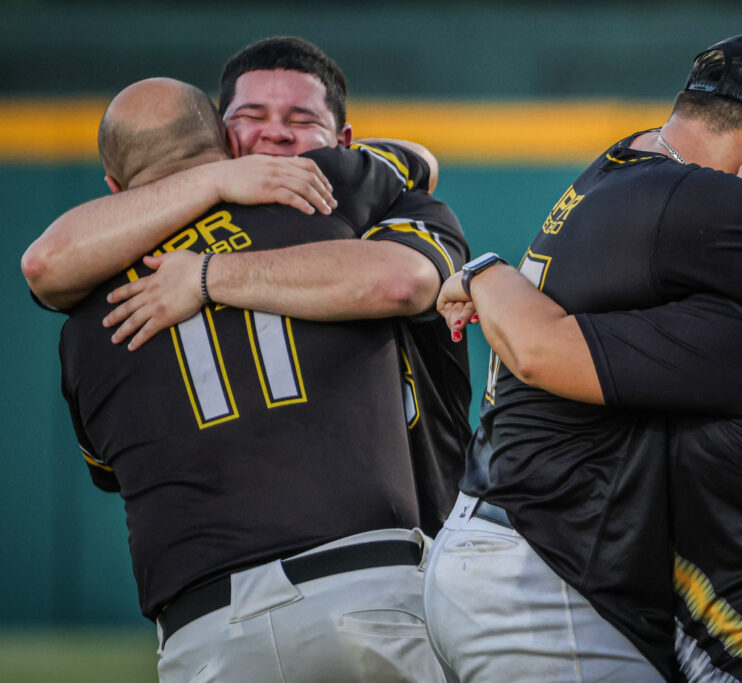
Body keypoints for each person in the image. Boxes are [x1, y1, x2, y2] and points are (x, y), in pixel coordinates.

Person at [422, 34, 742, 682]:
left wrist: (485, 271)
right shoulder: (709, 200)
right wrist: (486, 271)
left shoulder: (623, 163)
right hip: (546, 573)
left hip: (497, 544)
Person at [57, 77, 458, 682]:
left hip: (201, 628)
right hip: (363, 582)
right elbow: (417, 168)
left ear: (114, 190)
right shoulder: (324, 192)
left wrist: (205, 277)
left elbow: (108, 474)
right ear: (225, 141)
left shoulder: (84, 321)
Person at [21, 36, 472, 536]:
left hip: (433, 525)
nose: (276, 135)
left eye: (301, 120)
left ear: (344, 142)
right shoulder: (134, 244)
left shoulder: (353, 187)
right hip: (284, 550)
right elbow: (45, 264)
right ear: (217, 132)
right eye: (252, 116)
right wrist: (214, 182)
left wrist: (207, 277)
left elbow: (406, 235)